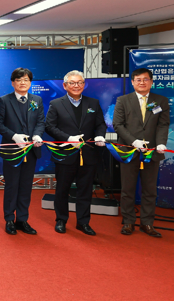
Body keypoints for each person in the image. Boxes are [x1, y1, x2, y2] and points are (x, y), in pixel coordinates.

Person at [44, 70, 106, 236]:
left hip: (89, 154)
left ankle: (83, 222)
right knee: (62, 189)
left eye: (79, 82)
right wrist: (68, 138)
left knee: (85, 190)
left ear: (84, 85)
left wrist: (100, 135)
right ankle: (61, 220)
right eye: (72, 83)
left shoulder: (93, 103)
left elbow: (100, 124)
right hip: (66, 154)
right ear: (65, 86)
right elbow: (50, 126)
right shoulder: (56, 104)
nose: (76, 85)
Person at [113, 68, 169, 238]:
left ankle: (147, 223)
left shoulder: (160, 100)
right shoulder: (123, 100)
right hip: (130, 151)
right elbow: (118, 124)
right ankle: (128, 221)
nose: (142, 82)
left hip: (152, 152)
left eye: (145, 79)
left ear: (151, 82)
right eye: (138, 79)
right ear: (132, 82)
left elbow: (163, 124)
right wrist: (133, 141)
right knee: (128, 189)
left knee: (150, 190)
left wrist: (160, 143)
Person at [0, 68, 45, 235]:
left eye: (26, 79)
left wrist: (37, 136)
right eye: (19, 79)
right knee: (12, 185)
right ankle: (9, 219)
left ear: (30, 82)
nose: (23, 82)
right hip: (12, 151)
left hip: (31, 151)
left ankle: (22, 219)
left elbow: (41, 122)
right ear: (13, 82)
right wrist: (14, 136)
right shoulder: (4, 100)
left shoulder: (37, 100)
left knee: (25, 187)